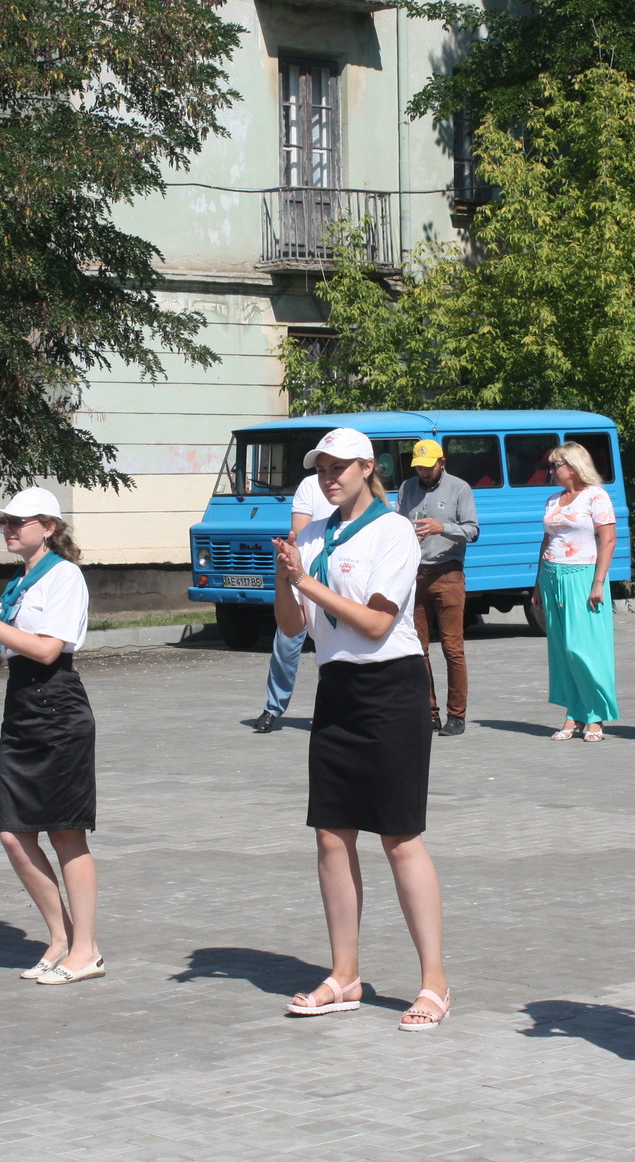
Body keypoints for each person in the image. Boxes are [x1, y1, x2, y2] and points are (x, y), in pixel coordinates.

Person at [272, 427, 451, 1031]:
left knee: (399, 836)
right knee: (331, 834)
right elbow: (292, 625)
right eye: (321, 468)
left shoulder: (392, 529)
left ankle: (434, 983)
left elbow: (376, 623)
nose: (329, 478)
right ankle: (344, 974)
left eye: (339, 467)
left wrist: (308, 581)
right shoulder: (314, 535)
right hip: (337, 688)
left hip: (392, 688)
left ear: (367, 467)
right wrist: (286, 575)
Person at [0, 488, 103, 984]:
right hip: (21, 707)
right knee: (13, 833)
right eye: (4, 522)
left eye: (18, 521)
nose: (8, 529)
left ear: (48, 527)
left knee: (65, 832)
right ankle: (60, 937)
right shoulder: (19, 584)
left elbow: (49, 650)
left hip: (57, 706)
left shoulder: (64, 576)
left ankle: (86, 949)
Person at [533, 441, 619, 741]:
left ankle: (596, 714)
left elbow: (608, 540)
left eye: (555, 465)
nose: (551, 471)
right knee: (561, 649)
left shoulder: (596, 496)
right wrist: (538, 583)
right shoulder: (553, 500)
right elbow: (547, 541)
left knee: (582, 648)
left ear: (573, 467)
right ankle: (574, 711)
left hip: (582, 574)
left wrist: (598, 582)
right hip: (552, 575)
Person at [395, 438, 478, 736]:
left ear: (442, 463)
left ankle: (457, 715)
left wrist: (441, 527)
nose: (423, 472)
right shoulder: (407, 488)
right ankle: (428, 713)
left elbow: (472, 531)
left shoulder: (459, 488)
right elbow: (397, 525)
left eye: (428, 467)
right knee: (417, 649)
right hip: (415, 574)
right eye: (419, 467)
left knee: (452, 648)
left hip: (448, 573)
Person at [250, 468, 337, 733]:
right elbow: (300, 533)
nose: (330, 476)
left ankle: (330, 709)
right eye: (324, 467)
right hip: (306, 574)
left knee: (333, 648)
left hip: (338, 578)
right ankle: (273, 707)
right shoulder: (310, 485)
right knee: (286, 643)